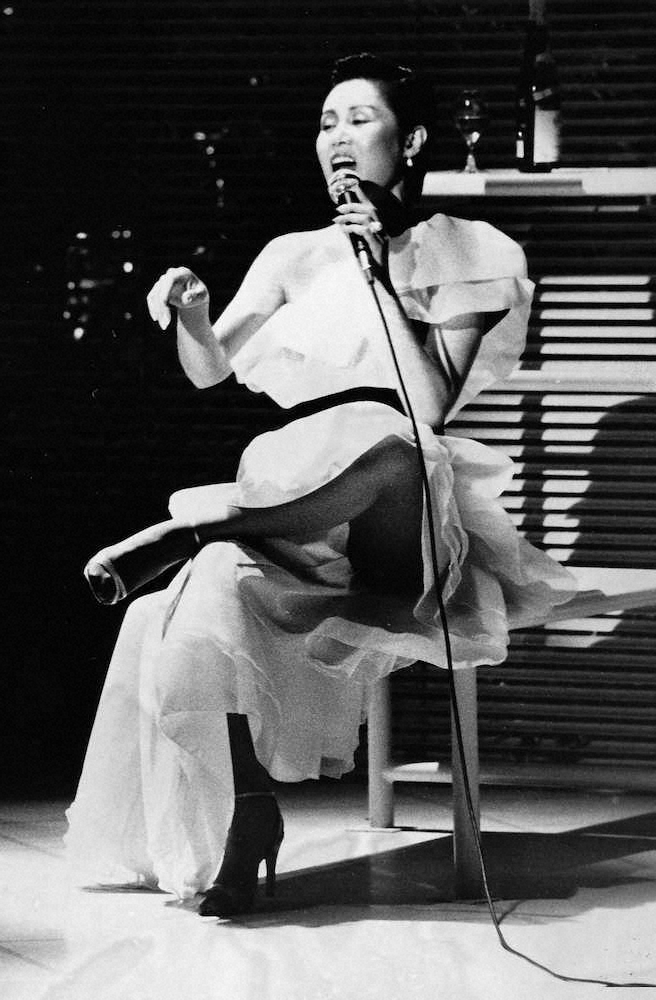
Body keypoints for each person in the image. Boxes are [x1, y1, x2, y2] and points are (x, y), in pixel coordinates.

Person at [65, 53, 575, 917]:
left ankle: (205, 525)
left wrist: (381, 269)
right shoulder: (291, 254)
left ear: (411, 140)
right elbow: (208, 368)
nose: (338, 137)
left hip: (396, 502)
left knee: (393, 448)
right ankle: (250, 813)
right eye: (327, 121)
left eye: (360, 119)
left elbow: (428, 404)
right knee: (206, 588)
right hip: (297, 479)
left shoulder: (468, 249)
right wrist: (193, 312)